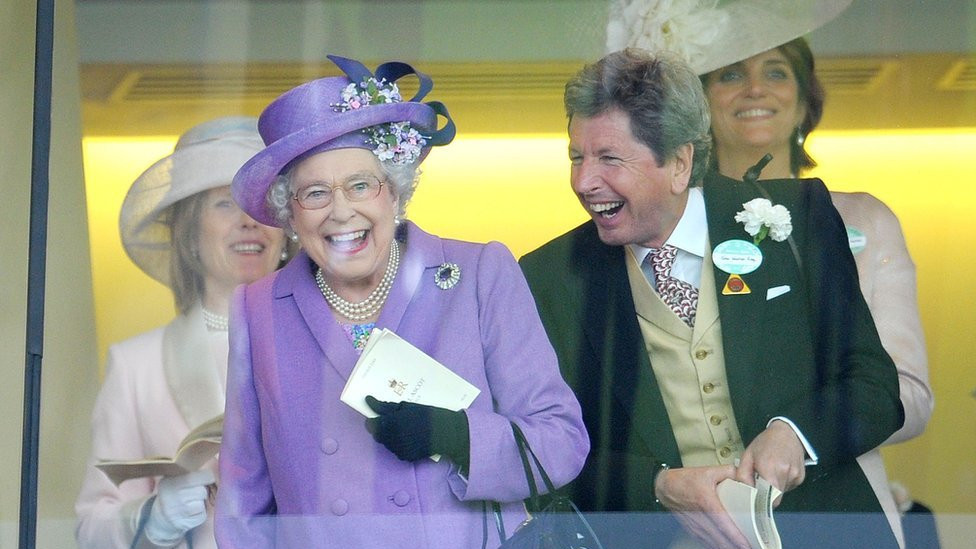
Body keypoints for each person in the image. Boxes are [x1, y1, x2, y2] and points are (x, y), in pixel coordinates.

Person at [519, 48, 904, 549]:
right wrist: (658, 486)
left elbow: (874, 386)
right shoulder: (550, 275)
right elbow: (544, 455)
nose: (583, 181)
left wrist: (796, 433)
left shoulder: (797, 218)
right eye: (576, 156)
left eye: (608, 158)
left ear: (680, 162)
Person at [215, 54, 588, 549]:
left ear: (394, 192)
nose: (341, 211)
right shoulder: (259, 308)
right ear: (291, 213)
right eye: (315, 194)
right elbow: (244, 500)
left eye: (360, 185)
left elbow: (560, 443)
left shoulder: (479, 276)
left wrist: (455, 436)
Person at [607, 1, 933, 545]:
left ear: (805, 100)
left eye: (777, 72)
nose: (755, 89)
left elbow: (910, 396)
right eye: (731, 74)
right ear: (697, 106)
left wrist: (797, 434)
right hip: (693, 525)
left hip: (834, 512)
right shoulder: (654, 229)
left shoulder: (862, 219)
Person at [75, 117, 288, 549]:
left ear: (287, 232)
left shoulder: (330, 346)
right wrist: (154, 517)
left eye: (260, 203)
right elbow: (90, 526)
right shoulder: (136, 364)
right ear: (190, 233)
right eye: (225, 202)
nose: (249, 220)